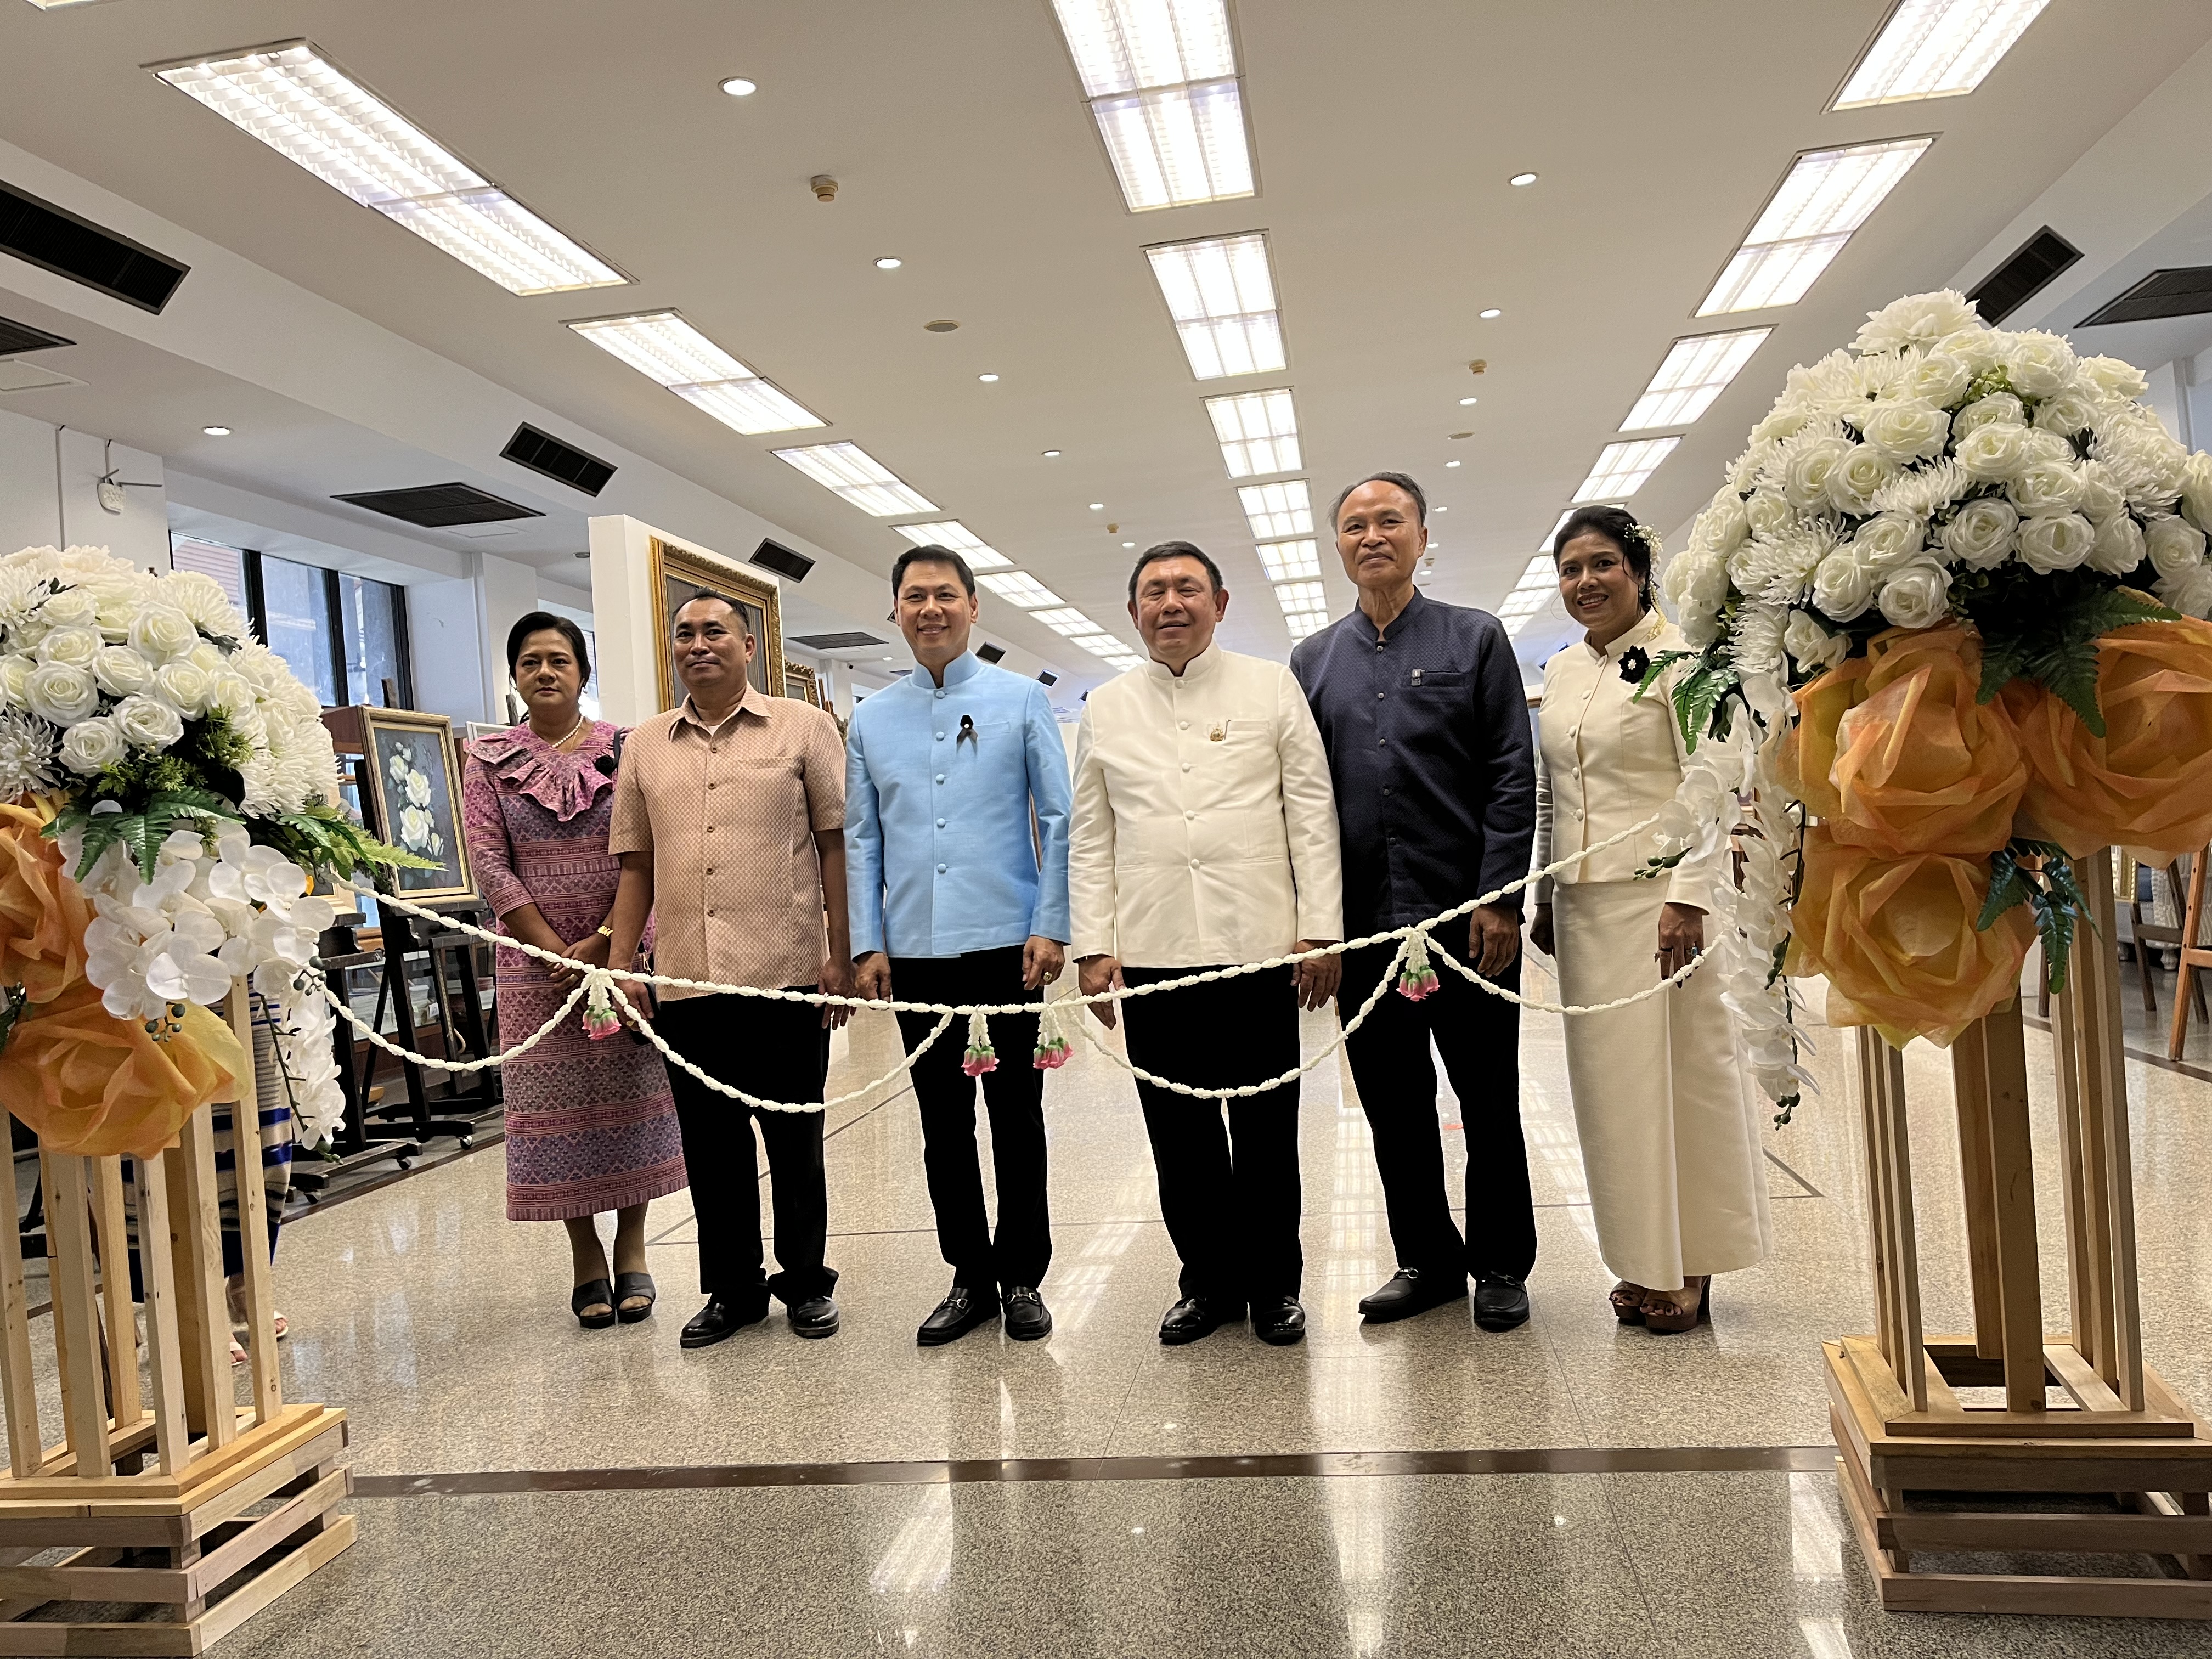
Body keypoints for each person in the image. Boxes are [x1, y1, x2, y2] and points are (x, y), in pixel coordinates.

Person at [1071, 542, 1342, 1347]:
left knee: (1265, 1131)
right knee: (1179, 1135)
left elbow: (1312, 812)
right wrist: (1094, 946)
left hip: (1258, 945)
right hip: (1154, 953)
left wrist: (1322, 929)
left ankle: (1275, 1287)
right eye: (1154, 592)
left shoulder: (1268, 686)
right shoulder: (1107, 705)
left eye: (1188, 588)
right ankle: (1208, 1283)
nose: (1171, 604)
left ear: (1220, 604)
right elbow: (1092, 836)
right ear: (1133, 613)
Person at [1291, 472, 1538, 1333]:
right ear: (1339, 547)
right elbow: (1305, 802)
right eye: (1354, 525)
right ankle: (1428, 1260)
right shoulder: (1313, 662)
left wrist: (1501, 898)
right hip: (1364, 933)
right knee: (1395, 1108)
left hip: (1470, 924)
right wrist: (1315, 930)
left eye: (1389, 520)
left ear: (1423, 535)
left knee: (1488, 1100)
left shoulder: (1476, 640)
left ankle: (1502, 1262)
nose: (1372, 536)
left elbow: (1514, 774)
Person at [1528, 506, 1770, 1333]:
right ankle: (1641, 1260)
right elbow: (1550, 796)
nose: (1586, 583)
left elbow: (1713, 781)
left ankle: (1690, 1266)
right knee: (1615, 1100)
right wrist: (1546, 896)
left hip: (1665, 906)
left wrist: (1690, 896)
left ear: (1638, 570)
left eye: (1602, 565)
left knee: (1685, 1084)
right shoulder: (1560, 673)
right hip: (1588, 908)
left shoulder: (1684, 661)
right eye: (1570, 570)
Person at [605, 591, 855, 1347]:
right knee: (710, 1148)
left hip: (784, 972)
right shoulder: (645, 744)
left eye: (715, 631)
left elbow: (838, 845)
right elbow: (635, 862)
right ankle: (733, 1289)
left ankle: (806, 1281)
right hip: (686, 978)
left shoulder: (803, 728)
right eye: (684, 634)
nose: (698, 644)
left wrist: (839, 953)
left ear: (748, 646)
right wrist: (622, 964)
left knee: (793, 1140)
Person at [846, 545, 1071, 1346]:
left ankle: (1022, 1277)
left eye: (945, 595)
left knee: (1017, 1117)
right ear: (897, 612)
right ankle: (968, 1275)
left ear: (974, 608)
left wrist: (1053, 923)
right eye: (914, 598)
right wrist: (866, 942)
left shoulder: (1020, 702)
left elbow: (1056, 821)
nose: (930, 610)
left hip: (1009, 947)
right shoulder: (872, 718)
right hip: (914, 953)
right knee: (942, 1123)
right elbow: (863, 838)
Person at [461, 612, 686, 1330]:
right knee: (555, 1111)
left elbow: (650, 854)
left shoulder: (629, 749)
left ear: (583, 672)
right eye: (531, 661)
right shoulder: (488, 759)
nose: (546, 672)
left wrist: (607, 943)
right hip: (535, 970)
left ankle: (631, 1244)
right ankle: (584, 1252)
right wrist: (550, 948)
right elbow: (489, 864)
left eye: (560, 659)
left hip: (621, 955)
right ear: (516, 676)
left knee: (630, 1097)